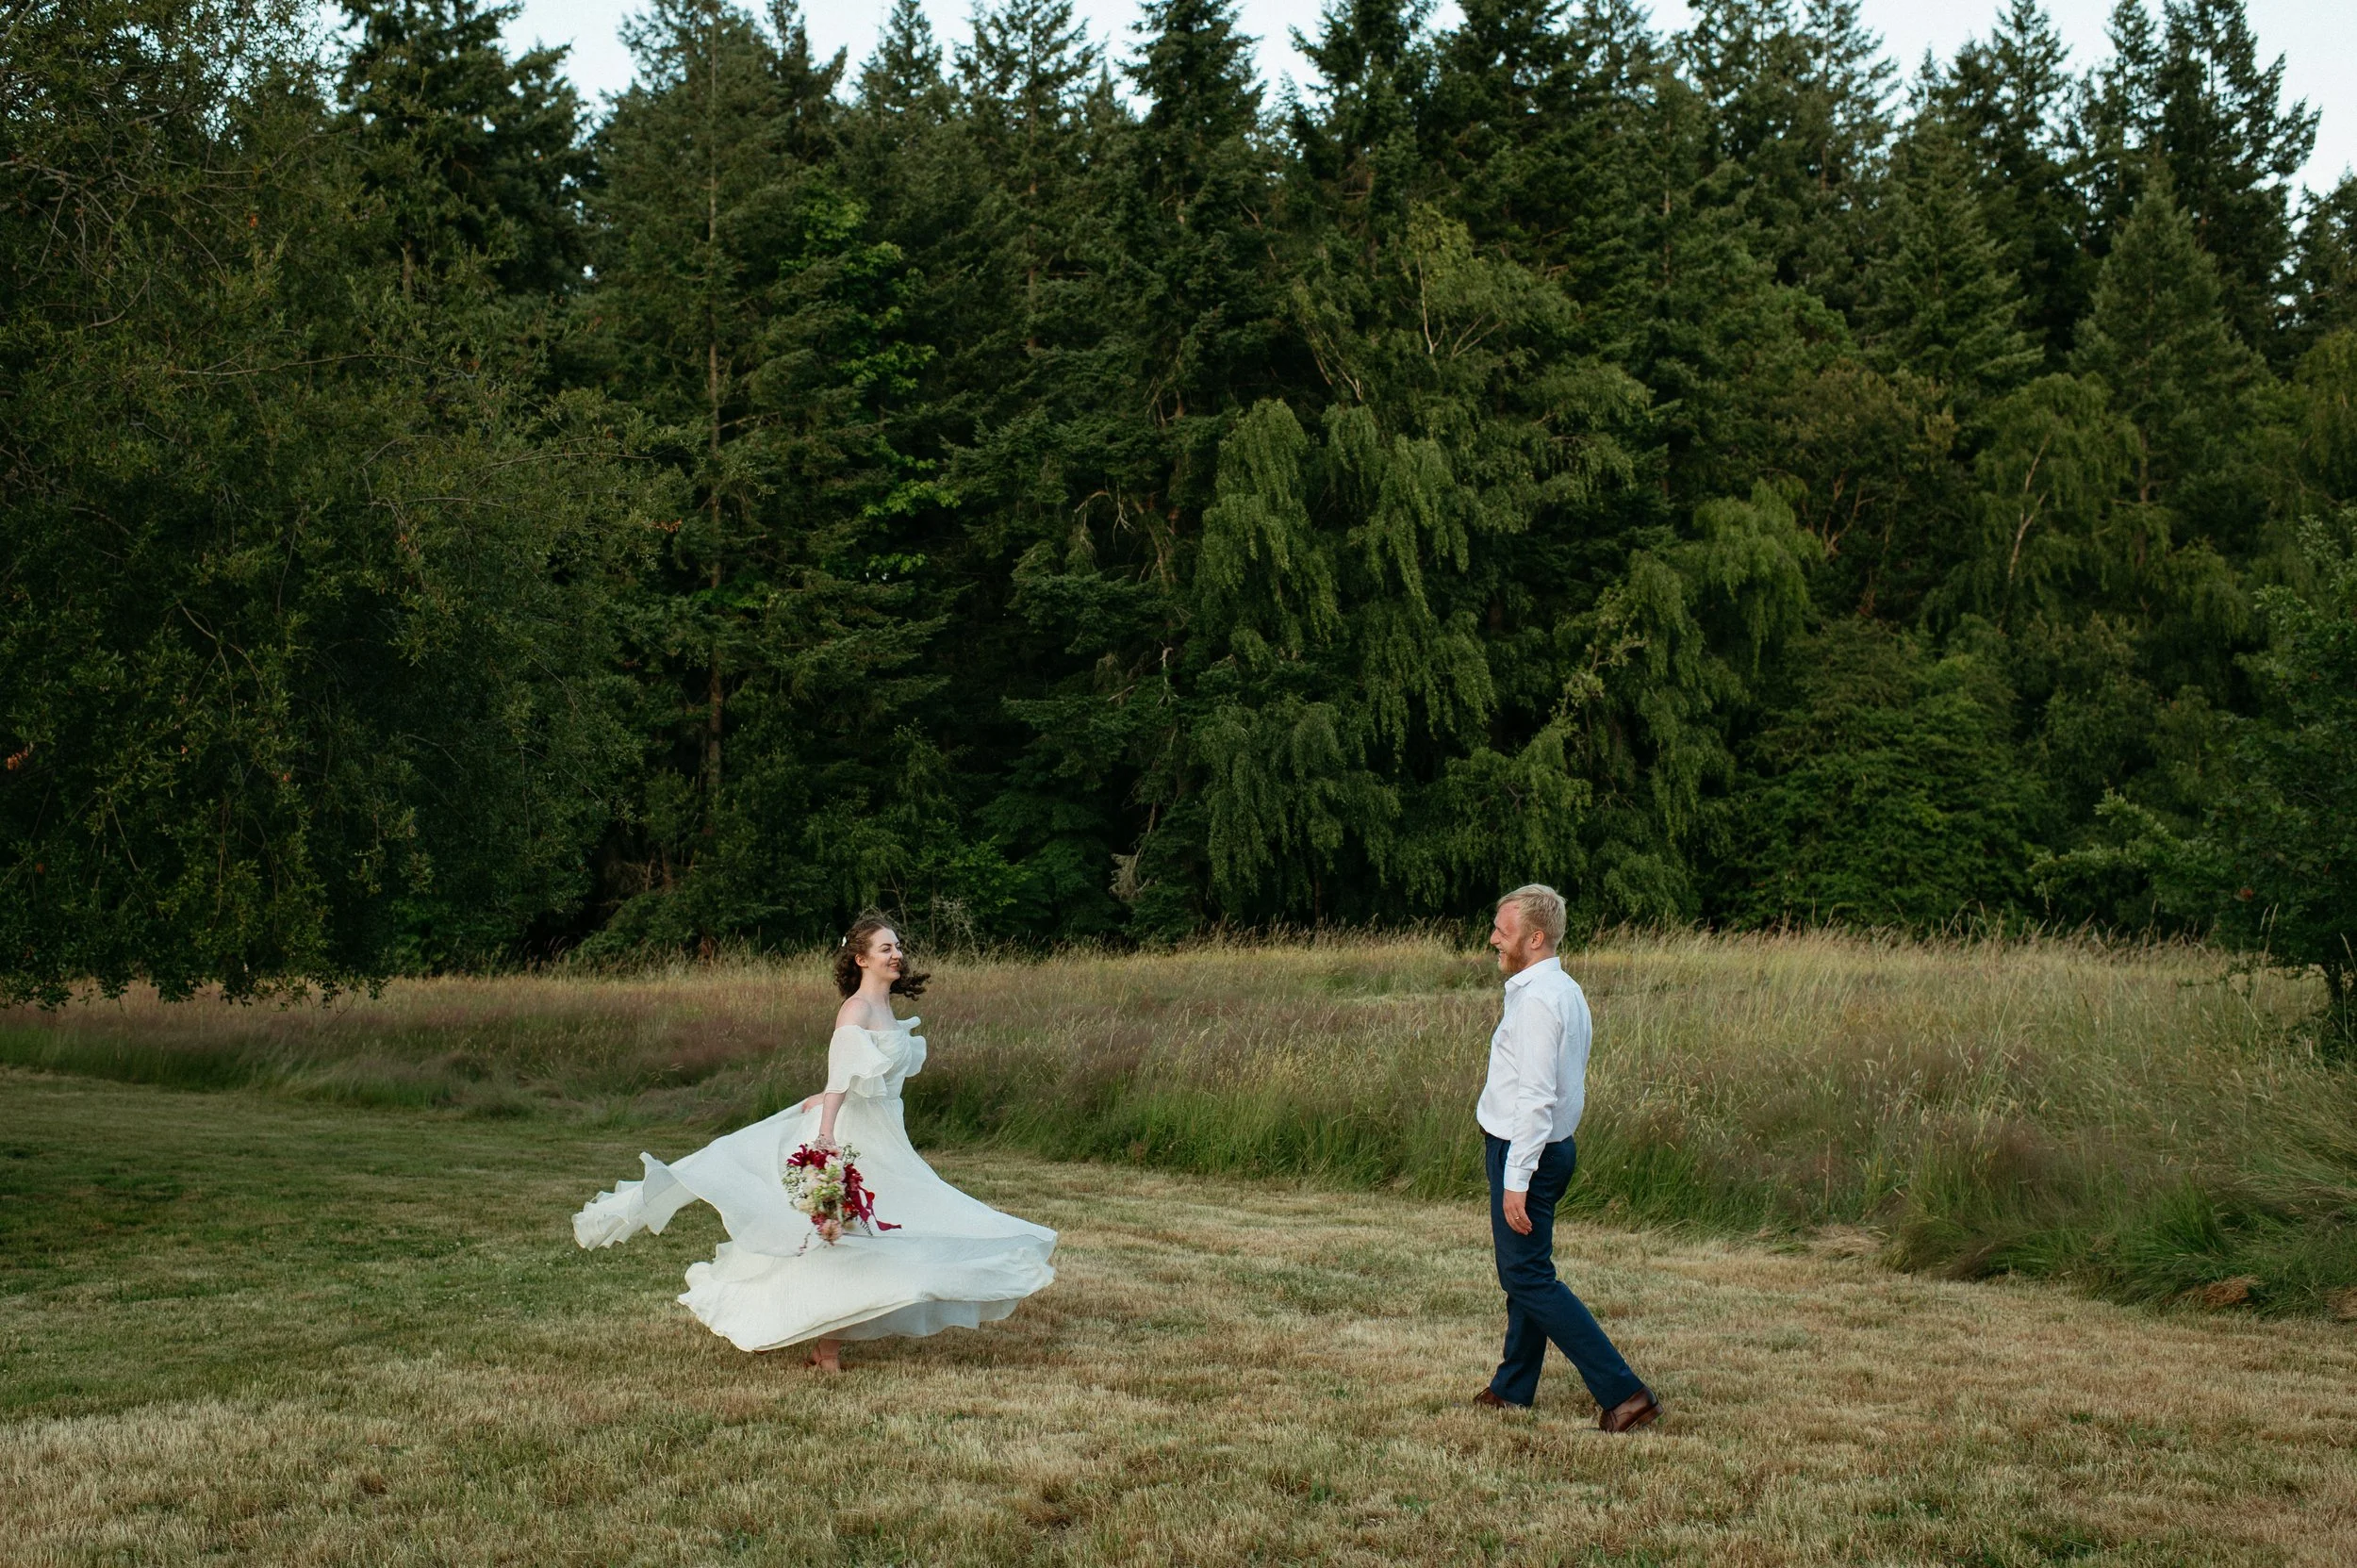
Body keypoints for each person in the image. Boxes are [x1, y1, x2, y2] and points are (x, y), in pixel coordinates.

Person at [572, 916, 1056, 1371]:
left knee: (884, 1226)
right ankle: (823, 1347)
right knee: (843, 1234)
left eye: (897, 946)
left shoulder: (885, 1008)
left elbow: (866, 1078)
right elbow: (840, 1076)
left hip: (886, 1129)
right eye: (885, 948)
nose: (896, 954)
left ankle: (828, 1345)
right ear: (861, 959)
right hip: (855, 1131)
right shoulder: (857, 1008)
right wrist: (826, 1133)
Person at [1471, 883, 1660, 1431]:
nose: (1493, 940)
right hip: (1546, 1149)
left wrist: (1516, 1177)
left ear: (1535, 938)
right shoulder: (1563, 989)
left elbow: (1537, 1098)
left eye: (1502, 932)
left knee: (1528, 1277)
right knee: (1526, 1273)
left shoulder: (1538, 1000)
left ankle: (1626, 1394)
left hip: (1526, 1151)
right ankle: (1512, 1389)